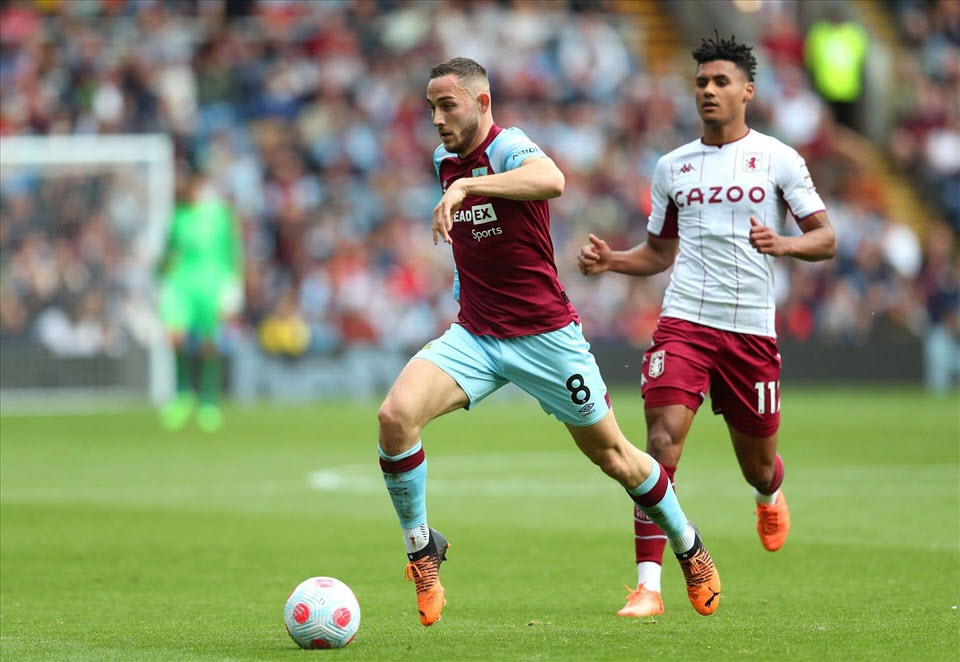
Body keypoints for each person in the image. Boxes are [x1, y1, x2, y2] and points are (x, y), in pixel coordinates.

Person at [377, 57, 722, 627]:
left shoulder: (508, 146)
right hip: (477, 336)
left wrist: (469, 183)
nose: (436, 119)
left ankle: (689, 546)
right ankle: (422, 551)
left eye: (448, 105)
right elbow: (472, 245)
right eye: (431, 108)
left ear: (482, 103)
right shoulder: (443, 160)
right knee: (395, 418)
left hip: (547, 338)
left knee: (615, 457)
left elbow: (553, 180)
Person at [578, 34, 837, 618]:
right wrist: (613, 261)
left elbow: (827, 238)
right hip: (684, 324)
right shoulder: (673, 167)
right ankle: (649, 586)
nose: (709, 91)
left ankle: (769, 493)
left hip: (750, 333)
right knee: (660, 443)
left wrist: (786, 245)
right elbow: (658, 253)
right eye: (701, 83)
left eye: (721, 82)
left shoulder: (779, 159)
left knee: (758, 463)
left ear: (748, 90)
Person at [158, 172, 244, 432]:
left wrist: (234, 286)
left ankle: (209, 400)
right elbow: (168, 253)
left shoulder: (220, 216)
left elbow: (234, 251)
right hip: (183, 284)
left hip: (212, 283)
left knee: (210, 343)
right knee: (175, 336)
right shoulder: (179, 218)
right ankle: (183, 394)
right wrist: (160, 280)